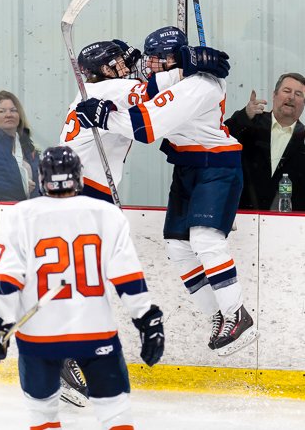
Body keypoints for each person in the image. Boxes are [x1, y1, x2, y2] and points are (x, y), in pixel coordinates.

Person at [74, 26, 259, 356]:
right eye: (151, 58)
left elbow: (147, 127)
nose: (151, 65)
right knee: (177, 246)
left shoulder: (200, 85)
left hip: (217, 167)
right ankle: (218, 314)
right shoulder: (182, 76)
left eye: (159, 58)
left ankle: (238, 314)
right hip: (188, 167)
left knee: (205, 239)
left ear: (175, 58)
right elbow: (148, 90)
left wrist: (105, 118)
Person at [0, 145, 165, 430]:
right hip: (95, 330)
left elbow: (6, 280)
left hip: (38, 337)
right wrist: (146, 319)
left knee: (42, 414)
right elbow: (128, 277)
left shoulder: (21, 215)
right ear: (78, 177)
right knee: (115, 413)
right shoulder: (107, 214)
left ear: (43, 180)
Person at [59, 39, 229, 202]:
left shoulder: (93, 90)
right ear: (106, 70)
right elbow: (152, 89)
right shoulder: (110, 88)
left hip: (73, 177)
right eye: (119, 63)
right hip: (88, 183)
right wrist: (189, 65)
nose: (126, 68)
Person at [224, 73, 305, 211]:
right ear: (274, 95)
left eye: (298, 94)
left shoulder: (303, 139)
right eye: (286, 91)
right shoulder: (251, 123)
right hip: (240, 215)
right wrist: (245, 115)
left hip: (289, 224)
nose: (291, 97)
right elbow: (221, 140)